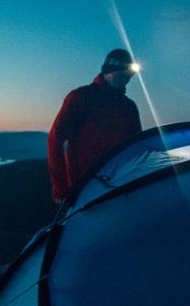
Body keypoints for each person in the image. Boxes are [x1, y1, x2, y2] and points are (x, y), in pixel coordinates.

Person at [47, 48, 142, 204]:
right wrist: (61, 189)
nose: (128, 78)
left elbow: (136, 148)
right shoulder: (81, 97)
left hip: (120, 189)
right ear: (111, 69)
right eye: (125, 72)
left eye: (131, 74)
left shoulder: (129, 106)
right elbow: (55, 140)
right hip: (83, 190)